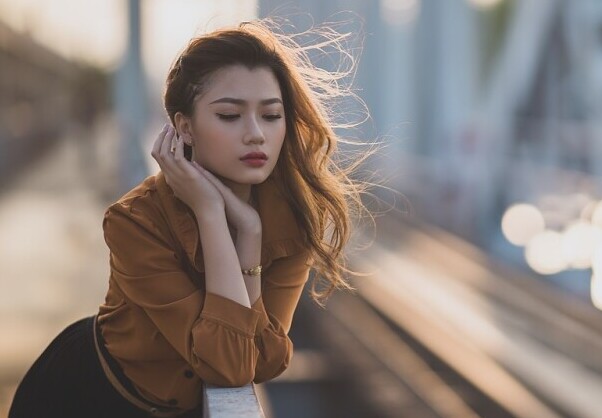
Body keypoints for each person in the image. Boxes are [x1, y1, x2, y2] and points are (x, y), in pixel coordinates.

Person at [10, 18, 372, 418]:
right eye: (230, 116)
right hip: (91, 399)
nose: (255, 134)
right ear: (185, 127)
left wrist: (249, 231)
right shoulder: (136, 222)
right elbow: (230, 364)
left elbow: (261, 363)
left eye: (271, 115)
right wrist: (212, 215)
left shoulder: (292, 220)